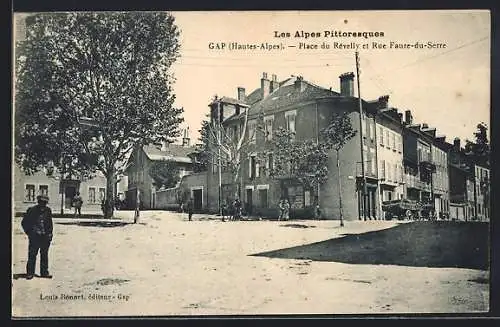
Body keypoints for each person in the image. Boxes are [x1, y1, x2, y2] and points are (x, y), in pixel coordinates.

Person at [21, 195, 53, 279]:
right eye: (41, 202)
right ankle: (30, 273)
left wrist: (50, 234)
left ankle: (44, 273)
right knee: (32, 255)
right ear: (38, 202)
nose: (43, 204)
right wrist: (29, 232)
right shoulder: (31, 210)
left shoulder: (48, 211)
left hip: (45, 237)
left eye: (45, 203)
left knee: (44, 255)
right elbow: (24, 222)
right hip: (34, 237)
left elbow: (50, 223)